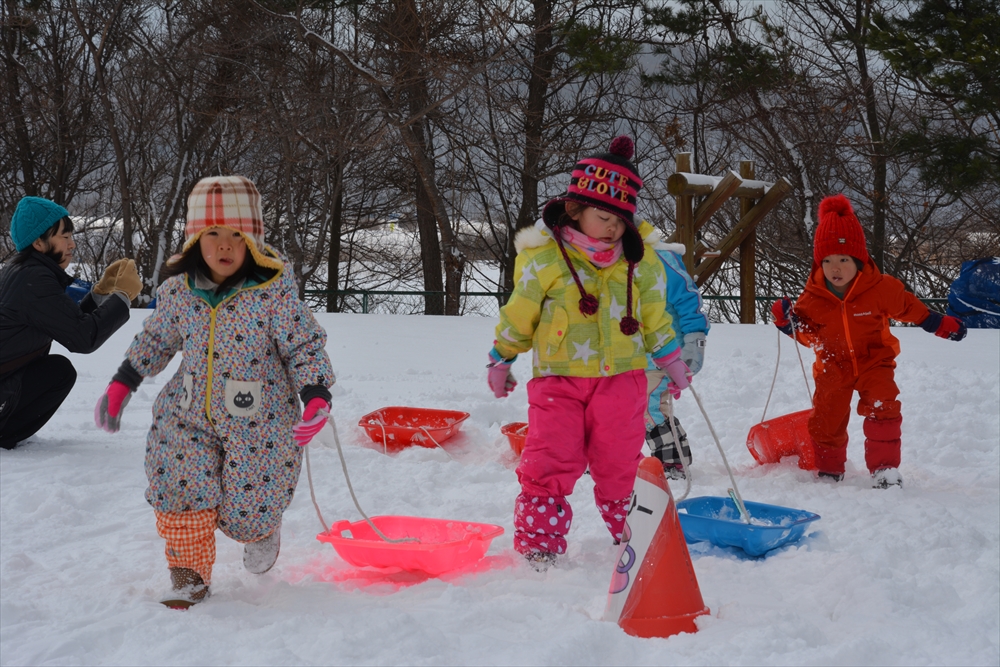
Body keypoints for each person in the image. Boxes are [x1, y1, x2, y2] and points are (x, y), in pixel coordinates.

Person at [94, 176, 334, 608]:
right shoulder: (179, 293)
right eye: (212, 236)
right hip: (187, 414)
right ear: (194, 242)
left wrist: (315, 394)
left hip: (260, 421)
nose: (224, 247)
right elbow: (156, 340)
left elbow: (303, 345)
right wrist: (122, 383)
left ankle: (261, 529)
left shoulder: (273, 295)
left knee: (246, 512)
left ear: (253, 242)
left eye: (235, 237)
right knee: (178, 486)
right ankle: (188, 577)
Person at [486, 136, 689, 569]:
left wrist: (670, 356)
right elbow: (520, 312)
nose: (613, 228)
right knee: (549, 458)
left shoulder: (641, 263)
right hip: (558, 378)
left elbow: (654, 314)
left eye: (621, 219)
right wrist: (502, 357)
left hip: (623, 378)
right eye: (604, 216)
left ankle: (634, 535)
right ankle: (540, 541)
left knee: (620, 461)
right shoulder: (546, 261)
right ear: (575, 209)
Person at [771, 194, 966, 488]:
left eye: (843, 260)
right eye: (827, 261)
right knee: (827, 417)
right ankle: (829, 469)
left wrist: (937, 323)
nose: (835, 268)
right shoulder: (812, 298)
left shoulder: (879, 288)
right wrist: (787, 323)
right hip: (833, 365)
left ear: (858, 260)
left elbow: (908, 306)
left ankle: (884, 469)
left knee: (883, 404)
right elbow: (808, 336)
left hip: (875, 359)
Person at [0, 196, 140, 449]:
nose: (72, 244)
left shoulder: (22, 272)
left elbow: (64, 321)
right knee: (58, 372)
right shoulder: (34, 280)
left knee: (54, 369)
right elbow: (83, 338)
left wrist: (100, 293)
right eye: (64, 237)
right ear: (39, 243)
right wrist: (122, 296)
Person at [644, 240, 710, 479]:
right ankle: (677, 456)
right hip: (638, 355)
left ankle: (671, 461)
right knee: (653, 405)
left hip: (667, 350)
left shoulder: (658, 261)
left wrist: (694, 341)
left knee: (646, 405)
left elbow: (689, 301)